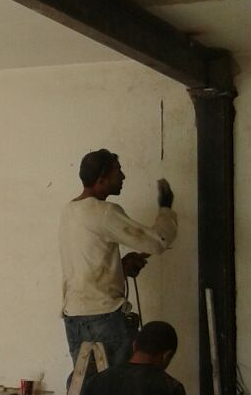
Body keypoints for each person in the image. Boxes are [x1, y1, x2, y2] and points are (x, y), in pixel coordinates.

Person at [60, 150, 177, 372]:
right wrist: (166, 209)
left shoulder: (69, 211)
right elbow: (158, 242)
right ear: (101, 179)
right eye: (118, 171)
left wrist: (119, 268)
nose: (123, 176)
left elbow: (87, 265)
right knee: (119, 385)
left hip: (74, 316)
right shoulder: (104, 212)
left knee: (88, 388)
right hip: (104, 318)